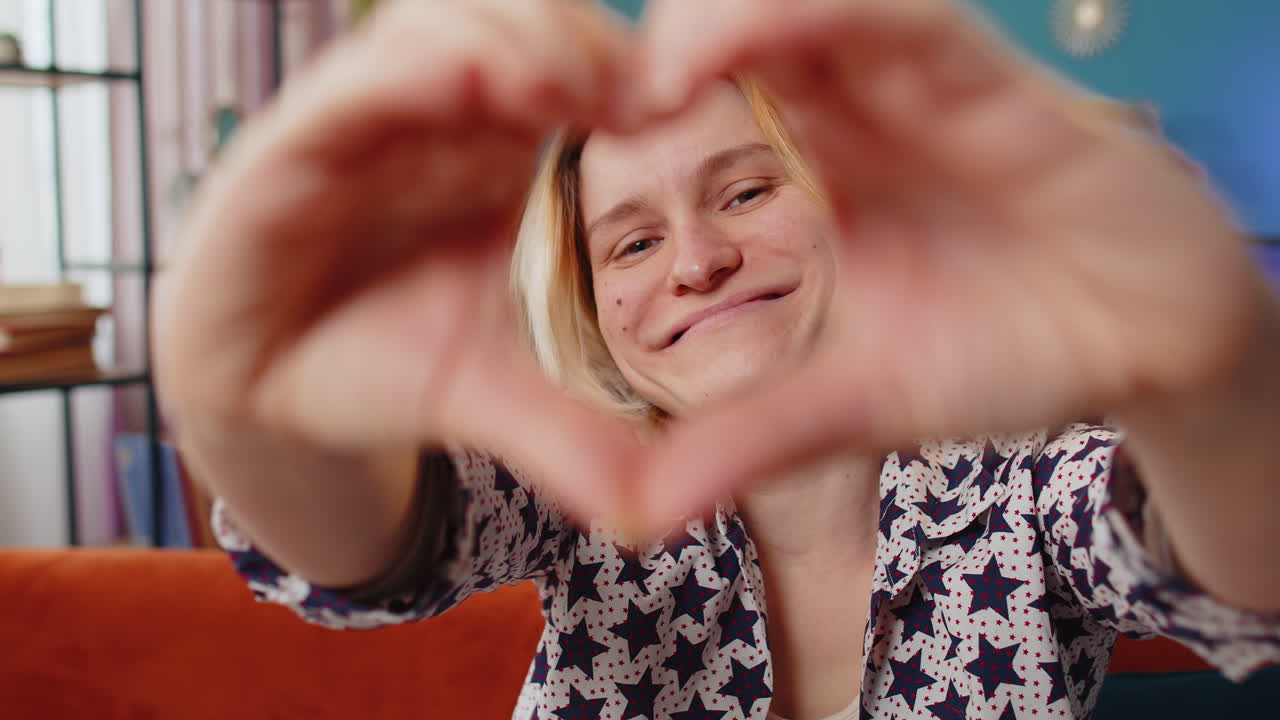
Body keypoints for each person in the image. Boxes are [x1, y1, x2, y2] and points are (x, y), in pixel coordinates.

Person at [153, 0, 1280, 718]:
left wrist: (1219, 385)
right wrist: (240, 404)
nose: (694, 261)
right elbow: (371, 545)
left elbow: (1238, 561)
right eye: (632, 242)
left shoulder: (1024, 485)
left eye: (745, 189)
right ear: (596, 316)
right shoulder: (575, 484)